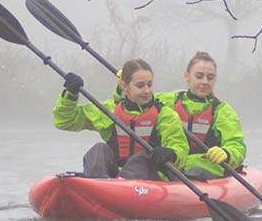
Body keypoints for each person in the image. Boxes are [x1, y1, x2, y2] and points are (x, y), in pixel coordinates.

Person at [54, 58, 188, 180]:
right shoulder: (109, 111)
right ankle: (98, 184)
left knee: (139, 159)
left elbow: (179, 147)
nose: (147, 90)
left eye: (150, 84)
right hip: (112, 178)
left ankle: (115, 188)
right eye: (140, 86)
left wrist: (171, 154)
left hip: (151, 177)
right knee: (99, 149)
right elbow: (66, 121)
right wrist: (71, 95)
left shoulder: (164, 115)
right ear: (124, 86)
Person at [156, 51, 247, 180]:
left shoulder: (222, 110)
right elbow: (135, 101)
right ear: (187, 76)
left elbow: (237, 145)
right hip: (170, 164)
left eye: (210, 78)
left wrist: (226, 153)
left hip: (204, 167)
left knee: (194, 167)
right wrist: (124, 87)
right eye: (199, 76)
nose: (204, 82)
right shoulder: (167, 101)